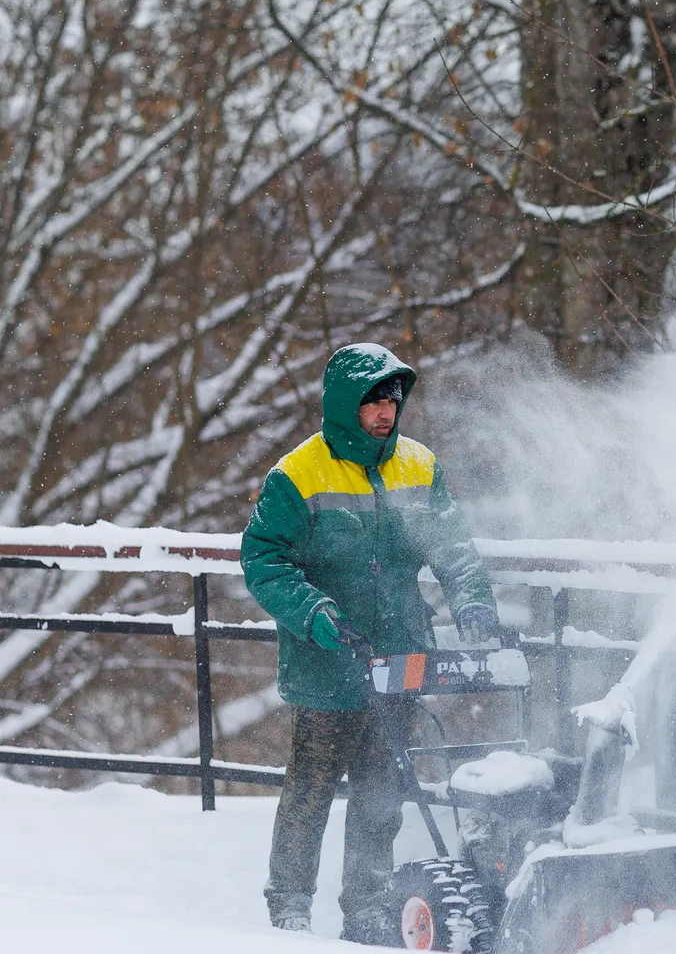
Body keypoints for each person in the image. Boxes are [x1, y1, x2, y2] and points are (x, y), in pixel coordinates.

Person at [241, 342, 500, 940]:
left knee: (383, 791)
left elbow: (453, 548)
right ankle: (289, 903)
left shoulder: (418, 465)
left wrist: (474, 607)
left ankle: (368, 906)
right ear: (342, 405)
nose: (386, 411)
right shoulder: (297, 474)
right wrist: (316, 613)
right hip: (326, 660)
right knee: (311, 788)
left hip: (401, 653)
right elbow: (263, 560)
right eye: (372, 401)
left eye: (393, 398)